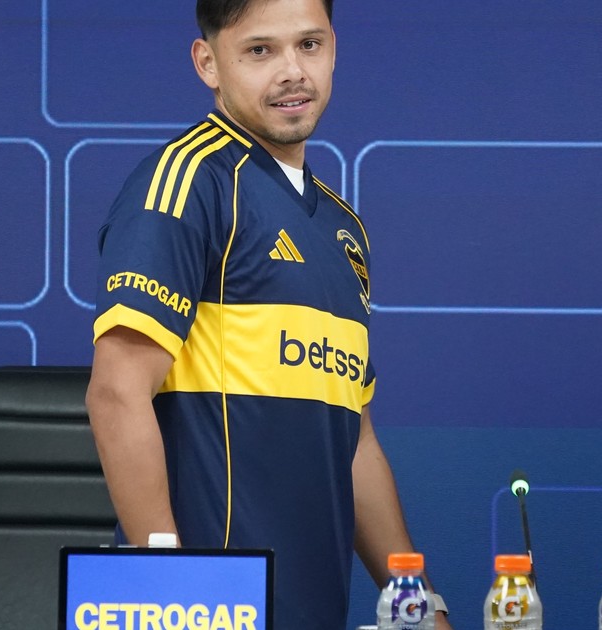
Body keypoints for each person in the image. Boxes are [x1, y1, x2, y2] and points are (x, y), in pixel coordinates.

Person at [84, 1, 451, 627]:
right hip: (207, 609)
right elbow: (117, 393)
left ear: (333, 48)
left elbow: (355, 442)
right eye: (260, 50)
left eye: (309, 45)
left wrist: (417, 605)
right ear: (208, 63)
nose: (292, 72)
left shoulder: (343, 227)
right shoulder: (187, 182)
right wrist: (166, 588)